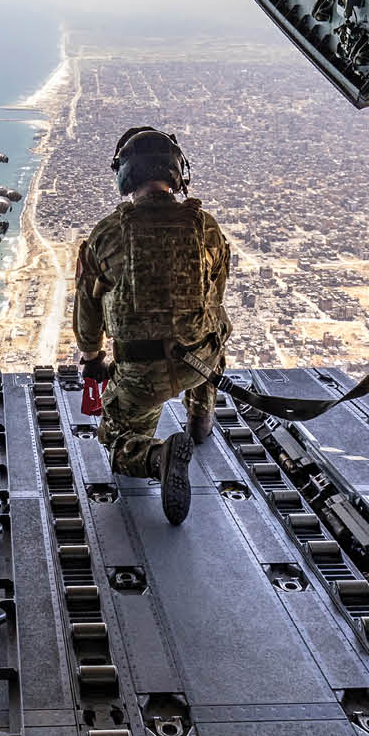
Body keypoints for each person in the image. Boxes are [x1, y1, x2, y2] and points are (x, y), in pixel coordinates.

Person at [72, 127, 233, 525]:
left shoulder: (107, 234)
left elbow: (88, 313)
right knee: (213, 339)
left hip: (143, 379)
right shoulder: (206, 227)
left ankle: (159, 456)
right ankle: (200, 419)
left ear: (125, 175)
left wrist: (92, 357)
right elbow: (214, 301)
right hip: (200, 364)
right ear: (177, 173)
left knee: (116, 441)